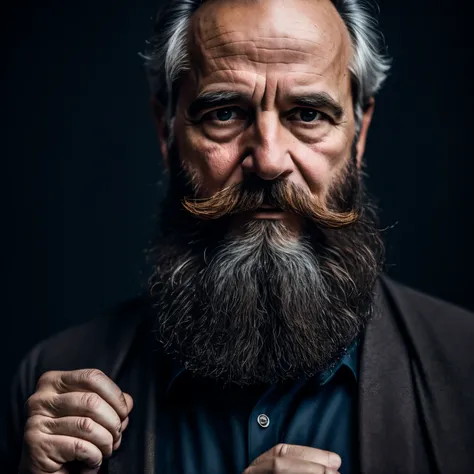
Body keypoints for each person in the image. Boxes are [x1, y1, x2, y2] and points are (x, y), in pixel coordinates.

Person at [2, 0, 473, 472]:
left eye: (308, 114)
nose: (268, 161)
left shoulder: (465, 367)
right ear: (166, 133)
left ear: (359, 134)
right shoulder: (52, 389)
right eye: (225, 113)